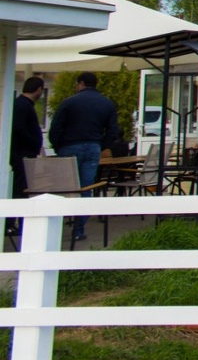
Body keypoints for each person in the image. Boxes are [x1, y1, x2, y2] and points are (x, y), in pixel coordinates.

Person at [46, 71, 120, 242]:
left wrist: (58, 147)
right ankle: (79, 229)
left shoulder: (69, 102)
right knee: (86, 187)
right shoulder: (107, 104)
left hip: (69, 146)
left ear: (81, 83)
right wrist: (101, 145)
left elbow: (56, 128)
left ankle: (54, 228)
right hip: (93, 147)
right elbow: (113, 131)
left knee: (64, 187)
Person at [7, 77, 46, 238]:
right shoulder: (23, 106)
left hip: (24, 152)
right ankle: (11, 223)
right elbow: (19, 128)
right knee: (20, 188)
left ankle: (12, 222)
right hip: (22, 154)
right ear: (38, 89)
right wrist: (32, 142)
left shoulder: (22, 104)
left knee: (21, 188)